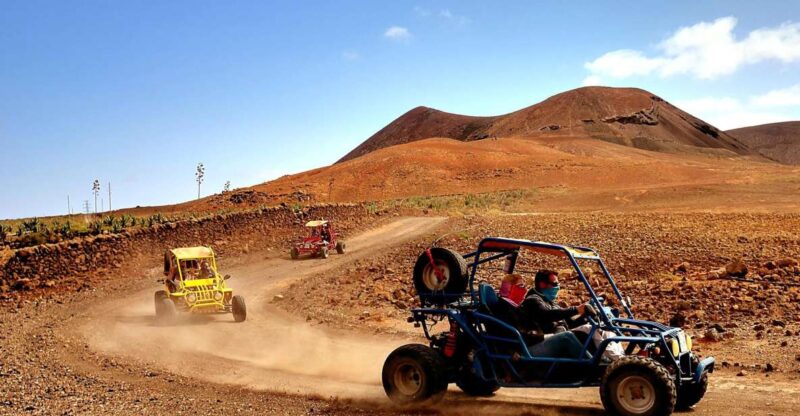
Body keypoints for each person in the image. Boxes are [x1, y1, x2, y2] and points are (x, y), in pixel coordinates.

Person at [518, 269, 591, 359]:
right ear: (542, 284)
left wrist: (585, 316)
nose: (558, 286)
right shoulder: (532, 300)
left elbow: (568, 321)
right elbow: (548, 315)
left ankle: (606, 360)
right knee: (567, 337)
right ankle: (594, 367)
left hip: (551, 338)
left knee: (589, 329)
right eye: (555, 284)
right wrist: (575, 310)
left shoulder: (549, 301)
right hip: (535, 345)